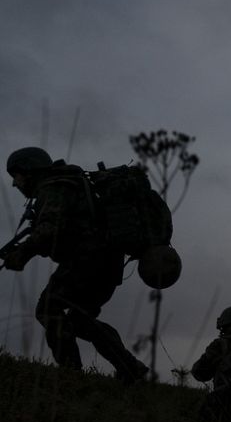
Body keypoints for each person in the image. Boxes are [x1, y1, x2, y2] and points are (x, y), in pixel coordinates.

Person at [1, 147, 147, 383]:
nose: (15, 184)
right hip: (108, 264)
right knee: (80, 321)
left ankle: (70, 375)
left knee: (48, 309)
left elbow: (50, 228)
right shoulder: (70, 183)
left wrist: (23, 253)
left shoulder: (55, 187)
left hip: (86, 261)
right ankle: (130, 367)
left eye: (16, 176)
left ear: (29, 170)